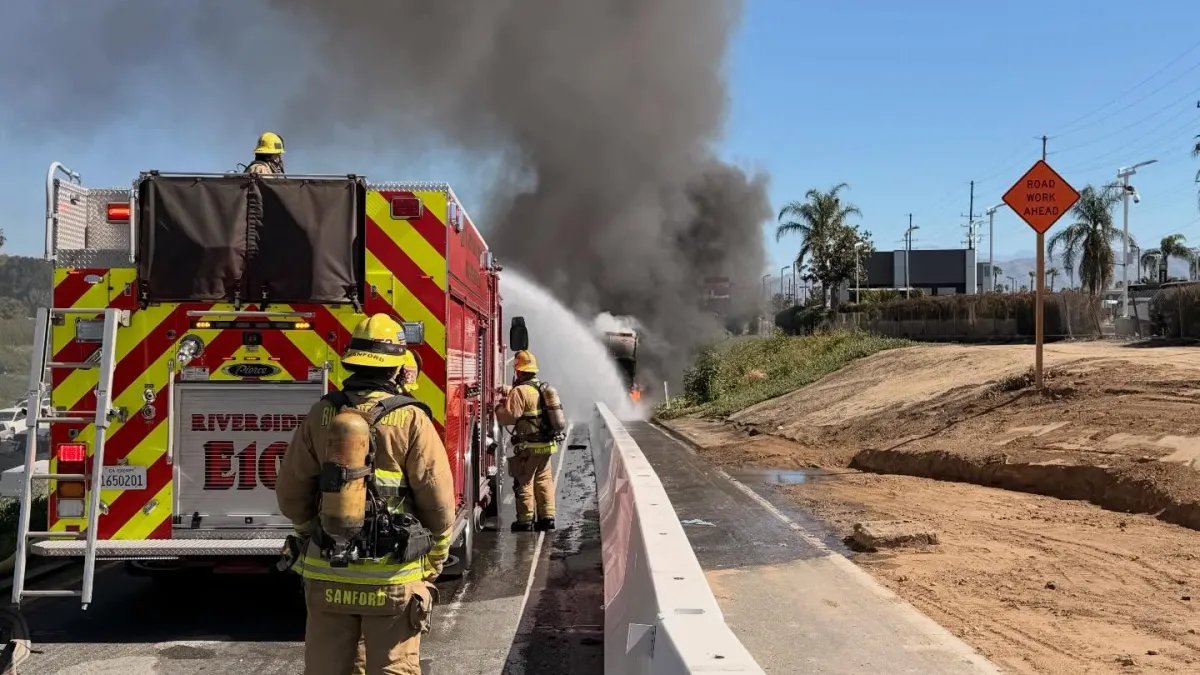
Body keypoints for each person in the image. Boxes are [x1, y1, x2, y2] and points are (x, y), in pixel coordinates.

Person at [276, 313, 454, 675]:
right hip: (391, 579)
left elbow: (291, 494)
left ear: (351, 360)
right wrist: (434, 558)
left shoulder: (322, 414)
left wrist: (313, 531)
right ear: (396, 368)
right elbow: (439, 505)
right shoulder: (411, 419)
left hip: (328, 574)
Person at [495, 350, 558, 532]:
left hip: (528, 447)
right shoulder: (541, 387)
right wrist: (508, 390)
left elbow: (510, 417)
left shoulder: (520, 391)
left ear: (519, 371)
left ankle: (525, 520)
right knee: (544, 480)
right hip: (546, 446)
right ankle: (547, 518)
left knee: (524, 481)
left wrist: (499, 408)